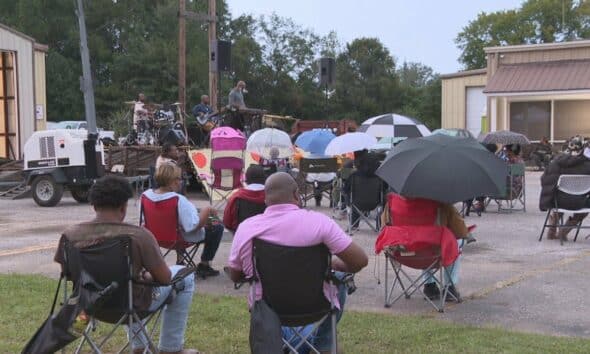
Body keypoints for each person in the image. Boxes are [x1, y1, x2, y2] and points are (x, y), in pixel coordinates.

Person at [54, 175, 198, 354]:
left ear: (94, 205)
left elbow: (68, 274)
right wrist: (147, 275)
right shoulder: (138, 236)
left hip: (88, 309)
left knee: (130, 283)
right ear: (123, 207)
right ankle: (170, 348)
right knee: (186, 276)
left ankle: (139, 346)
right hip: (131, 307)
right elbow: (165, 279)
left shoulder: (70, 236)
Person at [227, 172, 368, 353]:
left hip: (266, 308)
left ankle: (286, 345)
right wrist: (334, 264)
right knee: (339, 277)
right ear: (296, 194)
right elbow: (359, 261)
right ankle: (323, 346)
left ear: (265, 199)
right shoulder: (320, 223)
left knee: (258, 286)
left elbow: (235, 276)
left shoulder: (247, 228)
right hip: (317, 305)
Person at [381, 196, 473, 301]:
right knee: (456, 241)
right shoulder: (441, 202)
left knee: (422, 242)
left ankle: (429, 286)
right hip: (433, 253)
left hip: (401, 252)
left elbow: (385, 227)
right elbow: (460, 231)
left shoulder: (393, 202)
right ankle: (449, 287)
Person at [142, 163, 224, 277]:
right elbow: (192, 226)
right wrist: (207, 211)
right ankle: (205, 264)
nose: (181, 181)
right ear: (174, 181)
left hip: (157, 237)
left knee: (176, 223)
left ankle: (180, 260)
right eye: (181, 178)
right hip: (180, 238)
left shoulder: (146, 196)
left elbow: (143, 222)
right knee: (217, 225)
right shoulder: (178, 200)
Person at [540, 136, 590, 240]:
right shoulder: (587, 165)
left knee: (559, 194)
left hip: (559, 202)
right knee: (585, 204)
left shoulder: (556, 163)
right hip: (580, 203)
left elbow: (544, 180)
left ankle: (552, 227)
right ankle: (564, 231)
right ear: (583, 149)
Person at [223, 165, 266, 232]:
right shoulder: (273, 197)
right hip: (267, 237)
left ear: (246, 179)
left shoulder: (236, 197)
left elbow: (227, 222)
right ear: (264, 179)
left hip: (241, 237)